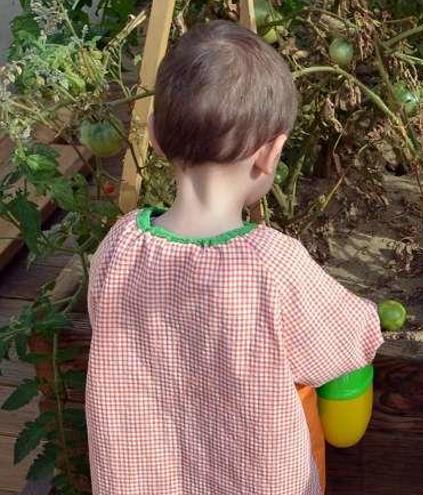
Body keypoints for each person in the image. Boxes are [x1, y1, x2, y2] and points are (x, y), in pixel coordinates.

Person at [85, 21, 383, 495]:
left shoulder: (120, 245)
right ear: (270, 155)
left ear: (157, 137)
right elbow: (349, 339)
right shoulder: (273, 264)